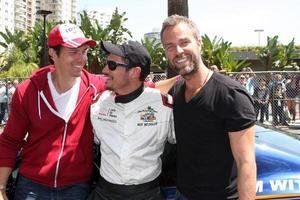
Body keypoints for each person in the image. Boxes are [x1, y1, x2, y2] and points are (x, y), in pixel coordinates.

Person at [0, 23, 107, 200]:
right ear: (53, 53)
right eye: (73, 52)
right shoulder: (28, 91)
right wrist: (1, 188)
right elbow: (11, 140)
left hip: (76, 187)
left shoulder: (94, 86)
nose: (81, 59)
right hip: (31, 187)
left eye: (84, 51)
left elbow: (139, 86)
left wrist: (171, 84)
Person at [160, 15, 256, 200]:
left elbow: (246, 164)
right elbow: (145, 89)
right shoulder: (177, 90)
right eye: (169, 46)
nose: (178, 51)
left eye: (184, 42)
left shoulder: (231, 95)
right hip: (183, 194)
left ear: (199, 42)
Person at [88, 40, 175, 200]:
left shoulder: (164, 106)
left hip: (148, 194)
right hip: (104, 193)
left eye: (112, 65)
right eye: (106, 63)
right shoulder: (97, 104)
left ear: (134, 72)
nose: (104, 69)